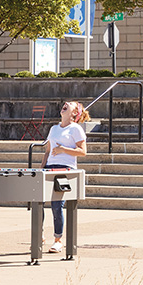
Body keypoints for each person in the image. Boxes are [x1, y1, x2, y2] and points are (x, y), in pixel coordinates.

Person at [40, 100, 88, 253]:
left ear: (75, 113)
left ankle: (58, 239)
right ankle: (39, 235)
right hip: (49, 168)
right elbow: (48, 151)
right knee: (38, 201)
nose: (66, 103)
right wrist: (41, 169)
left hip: (65, 169)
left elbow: (83, 151)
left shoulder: (76, 129)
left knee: (57, 205)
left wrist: (63, 150)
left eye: (71, 104)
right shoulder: (54, 128)